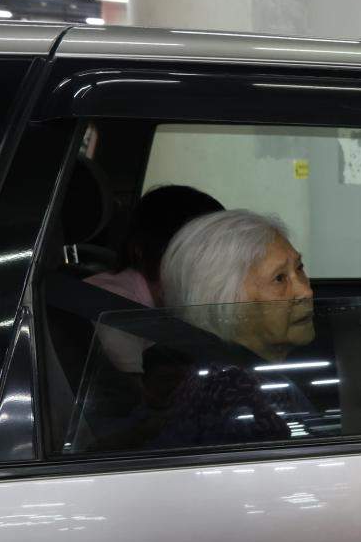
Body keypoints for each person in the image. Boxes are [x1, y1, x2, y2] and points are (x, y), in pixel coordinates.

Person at [140, 210, 317, 448]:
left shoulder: (235, 379)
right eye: (280, 279)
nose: (306, 292)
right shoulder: (238, 396)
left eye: (300, 268)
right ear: (224, 301)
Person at [84, 185, 224, 372]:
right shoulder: (116, 313)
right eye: (197, 256)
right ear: (145, 251)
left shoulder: (162, 306)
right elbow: (131, 396)